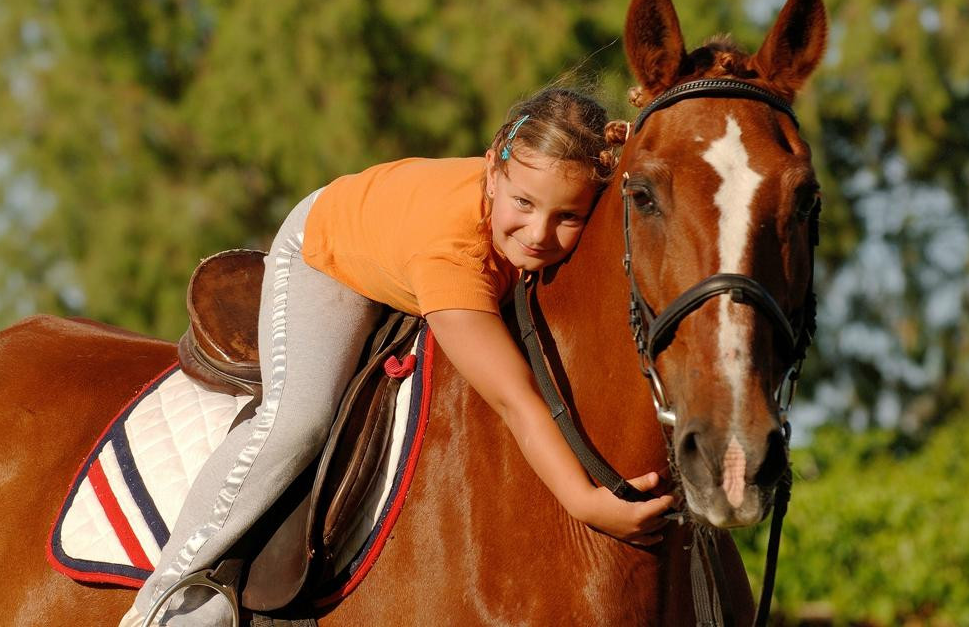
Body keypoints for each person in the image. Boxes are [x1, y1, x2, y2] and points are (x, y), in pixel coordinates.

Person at [123, 88, 675, 626]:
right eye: (523, 204)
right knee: (298, 420)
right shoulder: (451, 256)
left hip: (402, 228)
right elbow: (514, 401)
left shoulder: (548, 192)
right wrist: (586, 504)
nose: (537, 234)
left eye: (569, 217)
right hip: (328, 252)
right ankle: (166, 598)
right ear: (492, 171)